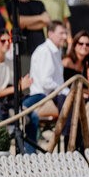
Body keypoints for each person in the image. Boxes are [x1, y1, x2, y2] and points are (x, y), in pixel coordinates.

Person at [22, 21, 69, 151]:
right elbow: (45, 82)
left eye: (65, 33)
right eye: (61, 33)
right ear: (50, 34)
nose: (65, 36)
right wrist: (65, 90)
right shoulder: (44, 51)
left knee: (81, 106)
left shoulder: (56, 50)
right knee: (73, 107)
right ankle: (65, 149)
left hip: (51, 97)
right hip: (41, 99)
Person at [6, 0, 49, 67]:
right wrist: (39, 18)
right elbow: (18, 22)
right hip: (22, 50)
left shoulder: (38, 4)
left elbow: (46, 21)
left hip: (39, 48)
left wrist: (26, 24)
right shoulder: (12, 3)